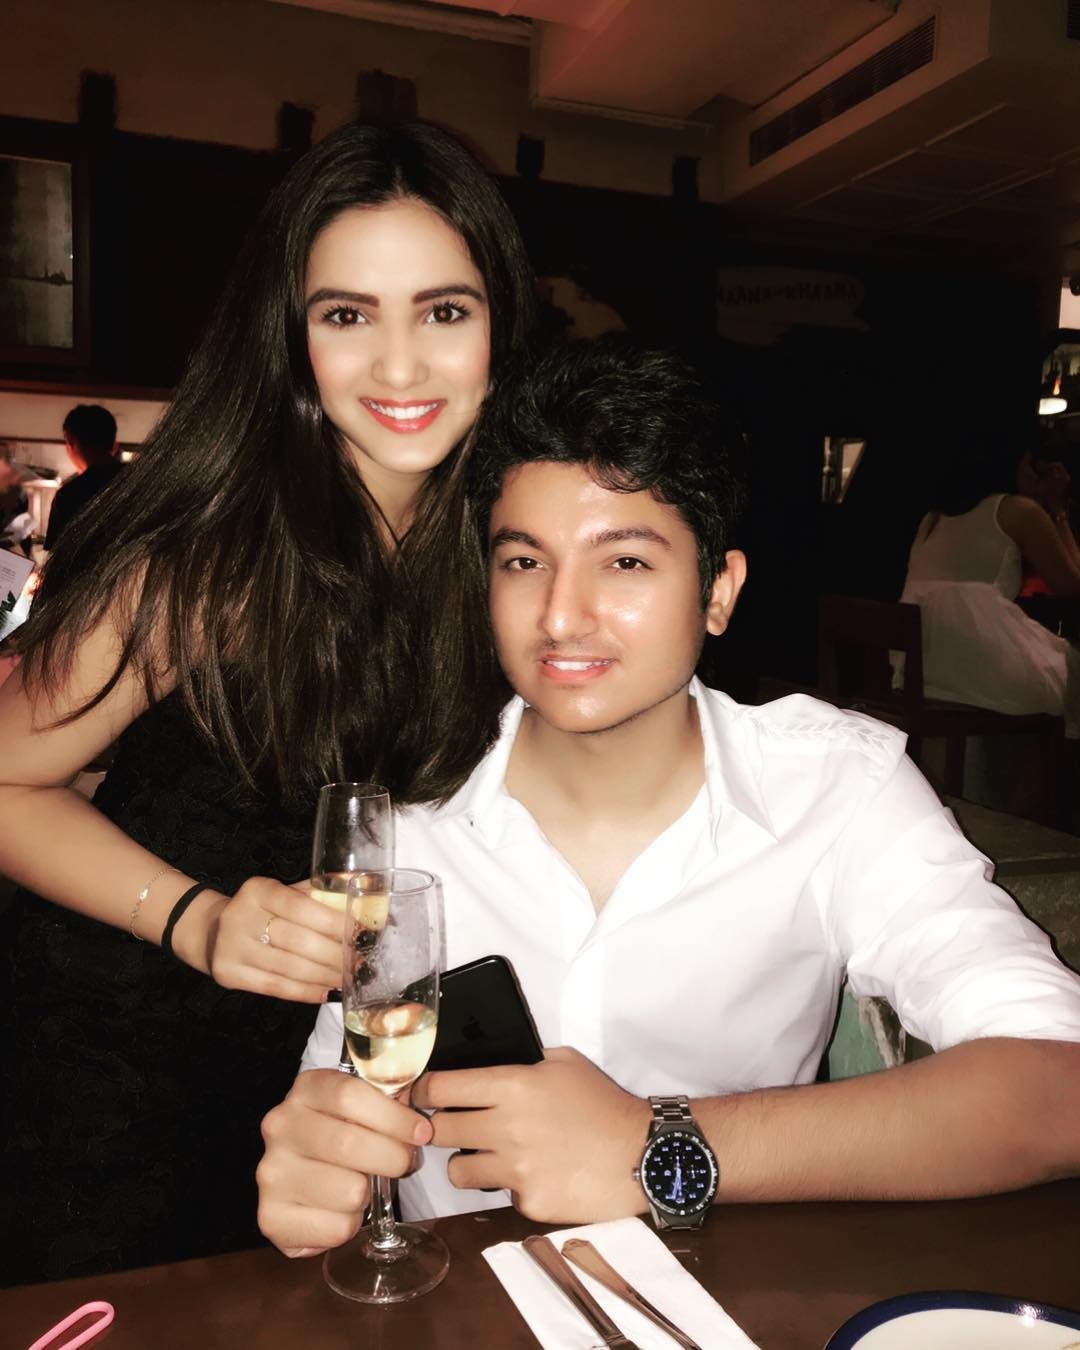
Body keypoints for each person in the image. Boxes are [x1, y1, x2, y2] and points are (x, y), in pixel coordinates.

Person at [256, 338, 1080, 1257]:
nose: (561, 616)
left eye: (625, 563)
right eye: (523, 562)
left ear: (718, 591)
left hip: (725, 1298)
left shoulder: (833, 788)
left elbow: (1061, 1086)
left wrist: (657, 1145)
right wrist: (319, 1170)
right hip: (459, 1299)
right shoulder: (405, 811)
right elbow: (342, 1094)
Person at [0, 119, 535, 1283]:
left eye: (444, 311)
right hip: (100, 1083)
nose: (400, 367)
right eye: (347, 316)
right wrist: (196, 918)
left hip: (308, 1105)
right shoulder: (211, 566)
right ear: (293, 340)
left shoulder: (501, 559)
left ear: (500, 324)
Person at [897, 439, 1080, 735]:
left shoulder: (932, 519)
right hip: (980, 666)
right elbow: (1071, 585)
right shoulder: (1019, 511)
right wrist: (1057, 507)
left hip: (922, 671)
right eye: (1029, 464)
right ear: (1009, 465)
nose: (1034, 475)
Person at [44, 404, 124, 550]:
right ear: (113, 444)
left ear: (70, 440)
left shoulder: (69, 495)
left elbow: (55, 556)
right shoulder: (142, 479)